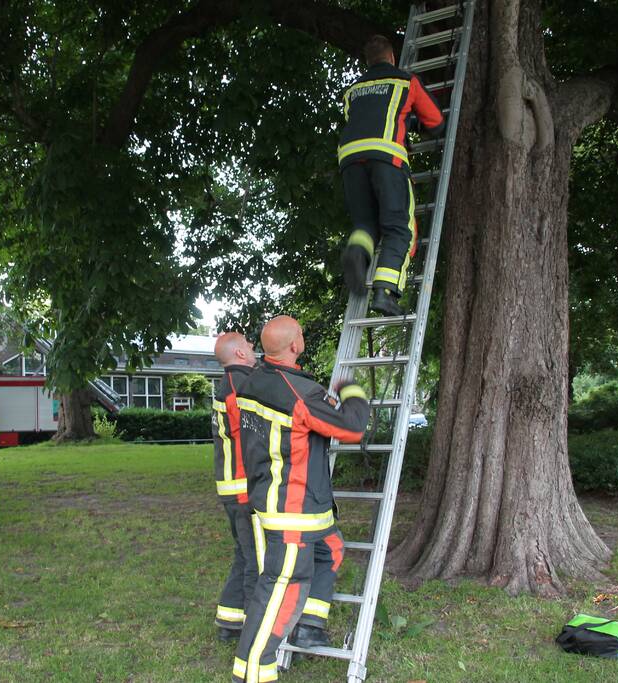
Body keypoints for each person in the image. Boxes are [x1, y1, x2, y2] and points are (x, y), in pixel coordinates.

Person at [232, 316, 369, 683]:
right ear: (294, 345)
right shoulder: (299, 395)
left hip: (290, 504)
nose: (303, 338)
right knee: (277, 593)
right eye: (302, 334)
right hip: (294, 512)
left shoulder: (252, 383)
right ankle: (251, 674)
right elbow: (352, 428)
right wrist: (352, 391)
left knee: (332, 550)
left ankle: (309, 624)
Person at [338, 34, 444, 317]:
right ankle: (385, 292)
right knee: (400, 227)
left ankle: (356, 254)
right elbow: (436, 122)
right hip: (387, 156)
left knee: (365, 223)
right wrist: (413, 122)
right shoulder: (405, 81)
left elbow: (365, 117)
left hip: (349, 159)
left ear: (367, 61)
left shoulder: (352, 90)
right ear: (392, 57)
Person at [211, 332, 260, 643]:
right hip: (246, 489)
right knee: (257, 559)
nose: (254, 347)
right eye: (249, 343)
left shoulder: (228, 384)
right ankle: (256, 630)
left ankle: (229, 621)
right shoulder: (245, 386)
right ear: (240, 353)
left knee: (243, 553)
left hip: (231, 488)